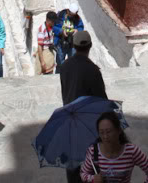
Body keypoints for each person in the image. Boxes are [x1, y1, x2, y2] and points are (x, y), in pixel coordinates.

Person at [59, 30, 108, 183]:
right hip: (88, 123)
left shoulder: (65, 66)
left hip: (69, 118)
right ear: (90, 46)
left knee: (73, 163)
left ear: (74, 46)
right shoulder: (93, 70)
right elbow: (101, 100)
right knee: (92, 163)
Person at [79, 111, 148, 182]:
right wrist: (93, 179)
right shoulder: (94, 151)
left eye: (109, 131)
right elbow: (83, 174)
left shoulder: (132, 151)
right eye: (101, 132)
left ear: (119, 130)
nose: (105, 136)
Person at [53, 3, 84, 71]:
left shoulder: (77, 19)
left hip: (72, 44)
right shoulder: (60, 16)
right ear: (68, 11)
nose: (71, 16)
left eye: (73, 15)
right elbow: (54, 27)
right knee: (60, 63)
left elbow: (81, 27)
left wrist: (77, 30)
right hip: (61, 43)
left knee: (73, 64)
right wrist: (61, 31)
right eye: (70, 14)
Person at [36, 10, 58, 75]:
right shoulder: (41, 30)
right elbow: (40, 46)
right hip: (44, 52)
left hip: (49, 53)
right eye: (53, 21)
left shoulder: (51, 27)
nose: (54, 23)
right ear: (48, 20)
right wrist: (42, 61)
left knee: (50, 73)